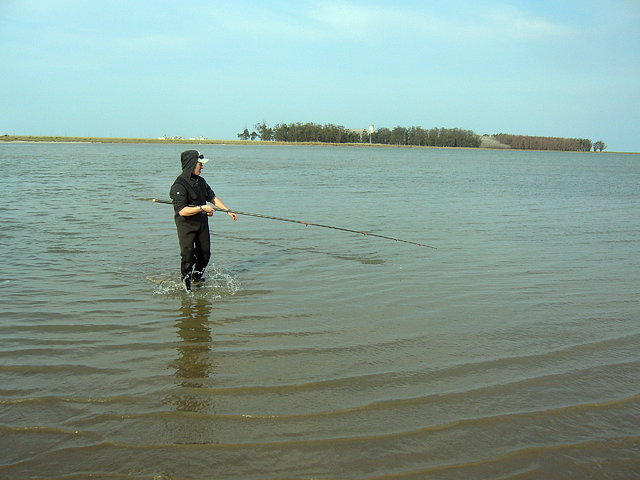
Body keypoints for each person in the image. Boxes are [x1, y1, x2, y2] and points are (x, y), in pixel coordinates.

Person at [169, 150, 238, 291]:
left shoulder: (201, 181)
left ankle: (196, 278)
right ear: (191, 164)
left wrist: (227, 210)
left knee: (205, 254)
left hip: (201, 223)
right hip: (186, 226)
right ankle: (185, 286)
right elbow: (182, 210)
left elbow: (212, 197)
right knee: (188, 256)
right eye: (200, 164)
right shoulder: (178, 185)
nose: (202, 167)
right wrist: (202, 208)